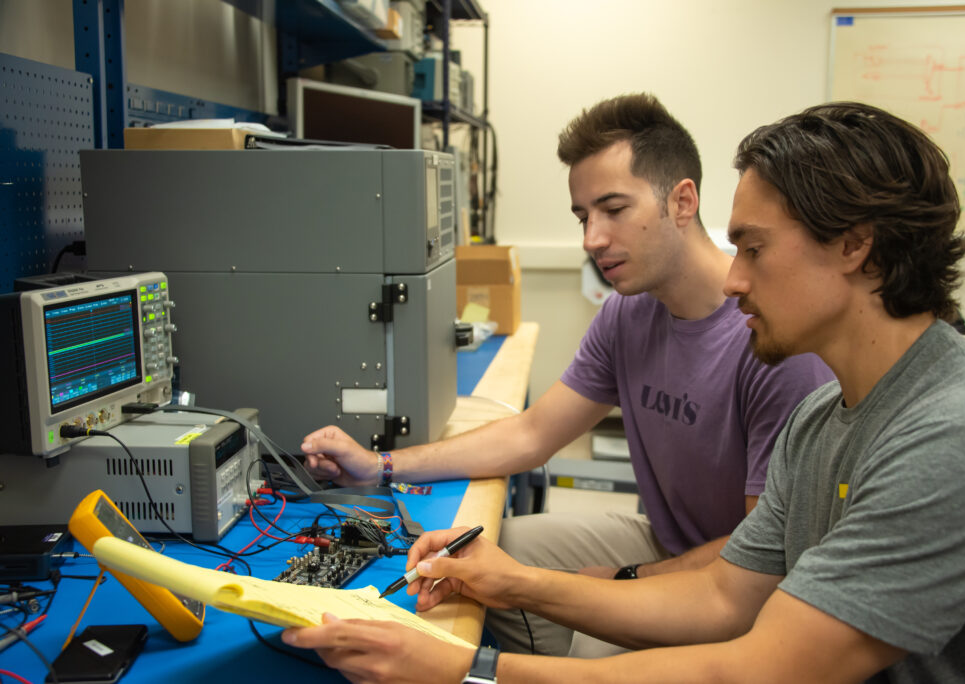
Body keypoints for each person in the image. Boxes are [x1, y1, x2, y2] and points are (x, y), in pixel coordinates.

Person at [283, 101, 965, 682]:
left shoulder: (960, 436)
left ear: (855, 245)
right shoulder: (822, 419)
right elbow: (721, 596)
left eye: (756, 251)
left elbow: (762, 666)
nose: (736, 278)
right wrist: (515, 583)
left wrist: (471, 670)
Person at [301, 93, 833, 656]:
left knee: (585, 648)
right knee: (464, 555)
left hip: (740, 586)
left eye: (614, 209)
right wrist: (379, 466)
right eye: (583, 217)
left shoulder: (773, 343)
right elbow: (533, 433)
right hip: (664, 538)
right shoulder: (629, 313)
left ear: (682, 201)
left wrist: (628, 581)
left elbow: (763, 554)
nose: (591, 240)